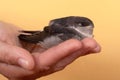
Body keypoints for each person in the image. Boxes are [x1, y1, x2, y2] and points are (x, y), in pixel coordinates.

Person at [0, 21, 101, 80]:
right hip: (48, 35)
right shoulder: (70, 33)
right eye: (83, 26)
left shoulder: (82, 36)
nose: (89, 29)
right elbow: (49, 33)